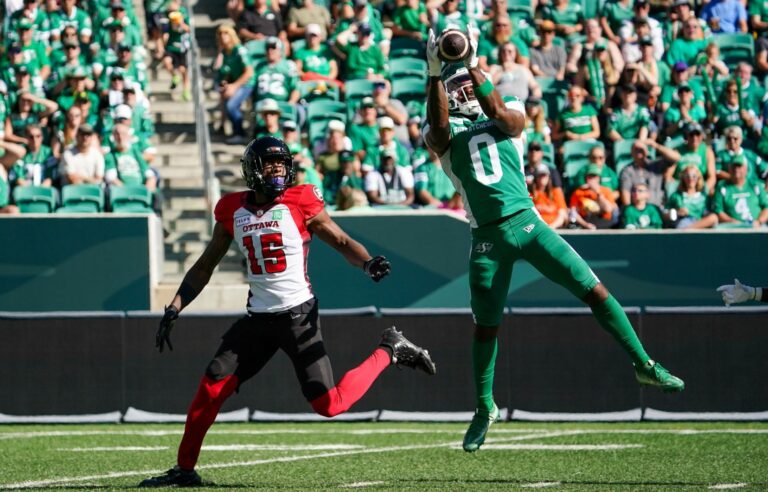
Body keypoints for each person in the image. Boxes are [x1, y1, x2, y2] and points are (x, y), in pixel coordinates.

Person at [422, 28, 684, 454]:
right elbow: (436, 129)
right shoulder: (443, 132)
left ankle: (644, 364)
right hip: (487, 238)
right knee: (485, 327)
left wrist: (470, 62)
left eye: (468, 83)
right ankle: (485, 406)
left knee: (594, 289)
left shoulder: (509, 114)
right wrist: (434, 72)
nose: (465, 89)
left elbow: (505, 118)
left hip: (529, 223)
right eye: (458, 87)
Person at [138, 136, 435, 487]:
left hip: (297, 315)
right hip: (258, 319)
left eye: (282, 163)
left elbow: (340, 240)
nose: (278, 169)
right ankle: (185, 471)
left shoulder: (301, 200)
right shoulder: (232, 209)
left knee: (330, 405)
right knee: (210, 388)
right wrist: (175, 306)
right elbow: (205, 266)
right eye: (270, 163)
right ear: (252, 169)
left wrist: (367, 263)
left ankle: (390, 349)